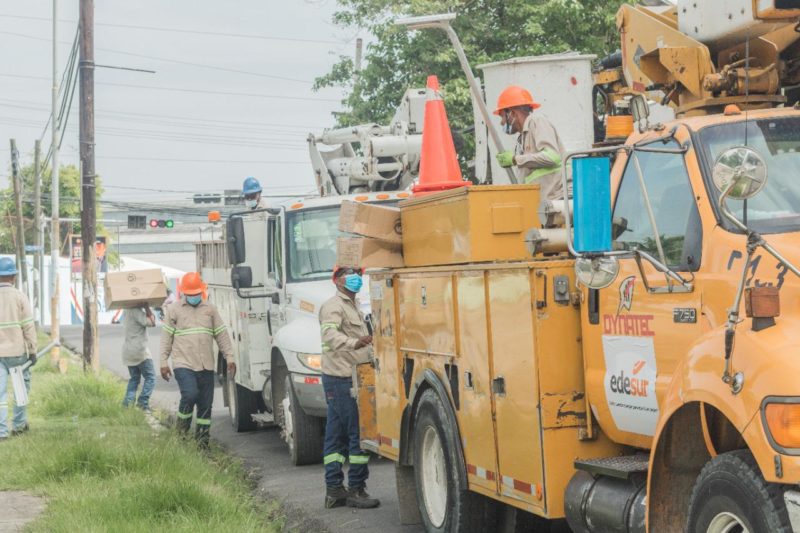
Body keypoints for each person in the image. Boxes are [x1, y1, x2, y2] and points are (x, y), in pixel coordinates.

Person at [318, 266, 380, 509]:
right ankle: (356, 488)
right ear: (337, 280)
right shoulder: (334, 306)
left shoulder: (354, 305)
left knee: (335, 437)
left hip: (346, 377)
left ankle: (334, 490)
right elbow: (330, 336)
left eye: (356, 272)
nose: (354, 276)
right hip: (343, 379)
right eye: (348, 273)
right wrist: (355, 342)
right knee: (358, 434)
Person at [159, 272, 235, 447]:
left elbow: (221, 335)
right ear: (184, 292)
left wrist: (229, 357)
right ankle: (181, 433)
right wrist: (163, 362)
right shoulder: (174, 310)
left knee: (205, 405)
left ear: (201, 292)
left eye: (196, 294)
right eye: (191, 294)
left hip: (206, 365)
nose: (194, 297)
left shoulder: (210, 310)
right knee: (190, 394)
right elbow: (166, 339)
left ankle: (202, 444)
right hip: (183, 364)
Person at [494, 85, 567, 201]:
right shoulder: (523, 137)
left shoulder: (537, 121)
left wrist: (515, 159)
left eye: (502, 116)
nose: (502, 123)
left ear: (512, 114)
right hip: (546, 203)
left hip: (560, 200)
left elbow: (552, 157)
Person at [0, 257, 36, 441]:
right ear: (13, 276)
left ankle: (1, 432)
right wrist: (33, 350)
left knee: (0, 394)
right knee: (20, 390)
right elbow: (28, 326)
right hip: (17, 353)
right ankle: (19, 425)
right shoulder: (20, 297)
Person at [122, 304, 156, 411]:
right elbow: (152, 323)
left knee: (134, 379)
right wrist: (147, 308)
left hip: (128, 351)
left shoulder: (126, 309)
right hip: (139, 351)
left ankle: (127, 405)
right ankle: (143, 402)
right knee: (151, 377)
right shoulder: (136, 311)